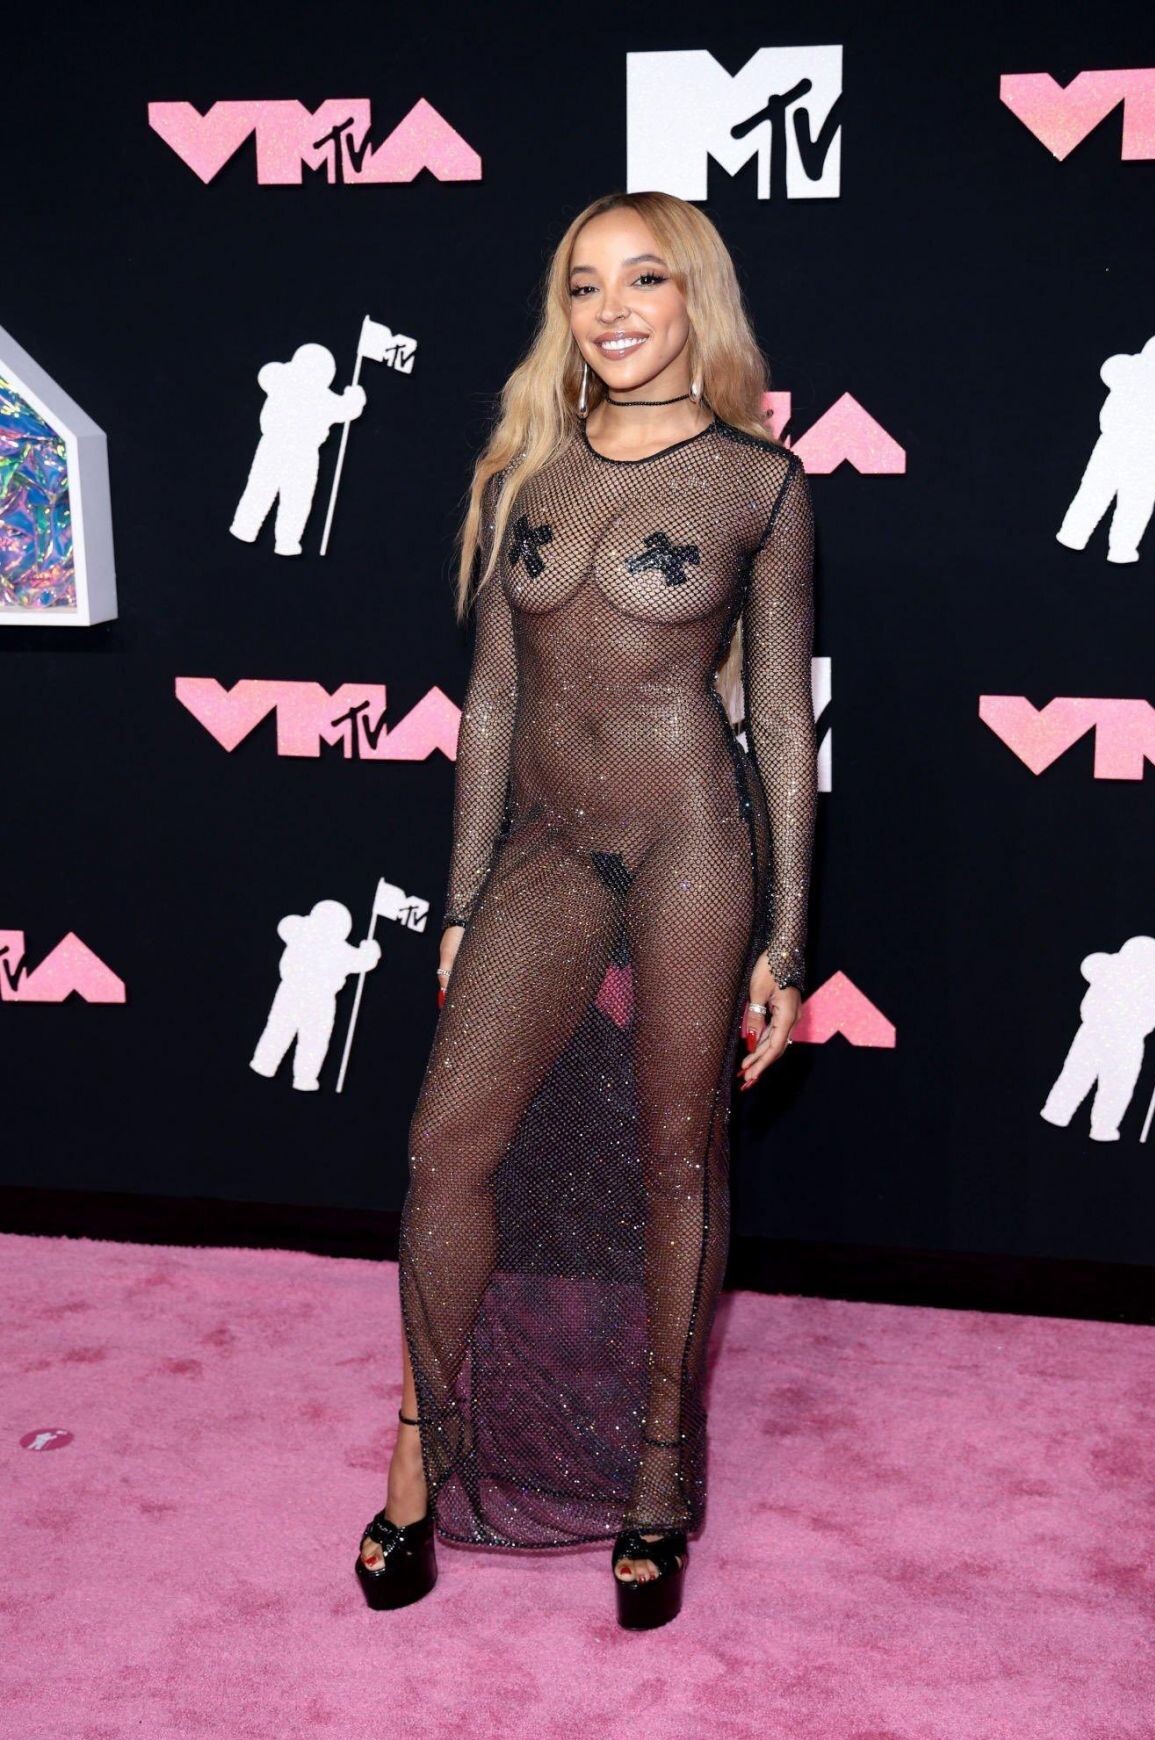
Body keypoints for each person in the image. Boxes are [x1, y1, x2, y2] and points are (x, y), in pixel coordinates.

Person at [355, 189, 818, 1631]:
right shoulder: (529, 473)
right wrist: (460, 901)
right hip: (546, 853)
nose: (612, 309)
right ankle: (426, 1451)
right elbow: (491, 702)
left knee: (677, 1162)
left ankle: (658, 1482)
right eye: (583, 285)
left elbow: (781, 727)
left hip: (692, 844)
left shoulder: (758, 483)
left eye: (644, 279)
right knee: (447, 1146)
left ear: (695, 299)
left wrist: (787, 938)